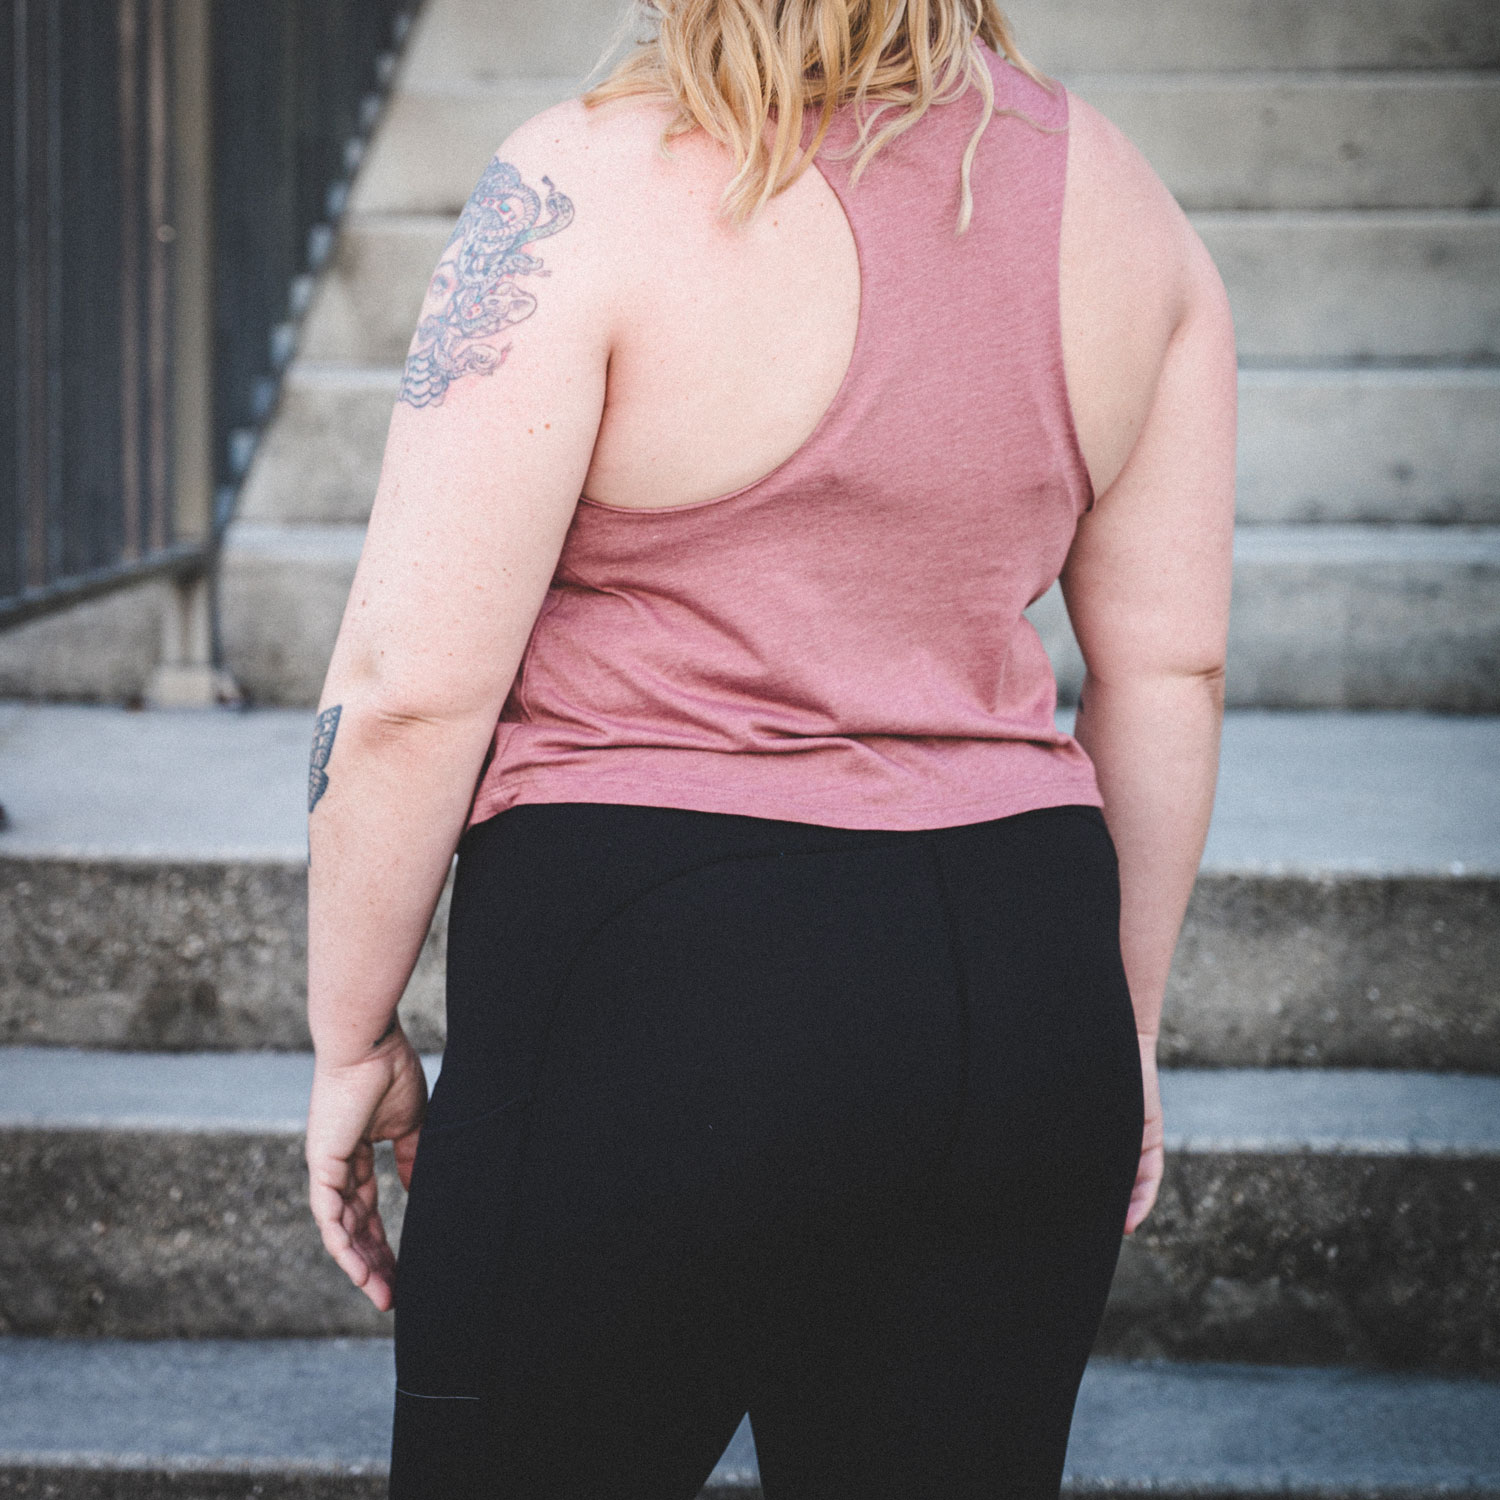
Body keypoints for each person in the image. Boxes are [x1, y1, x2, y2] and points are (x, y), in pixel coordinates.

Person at [302, 1, 1236, 1494]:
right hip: (1022, 971)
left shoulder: (580, 187)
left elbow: (410, 691)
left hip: (651, 975)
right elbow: (1170, 671)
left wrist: (352, 1028)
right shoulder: (1121, 200)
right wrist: (1120, 1026)